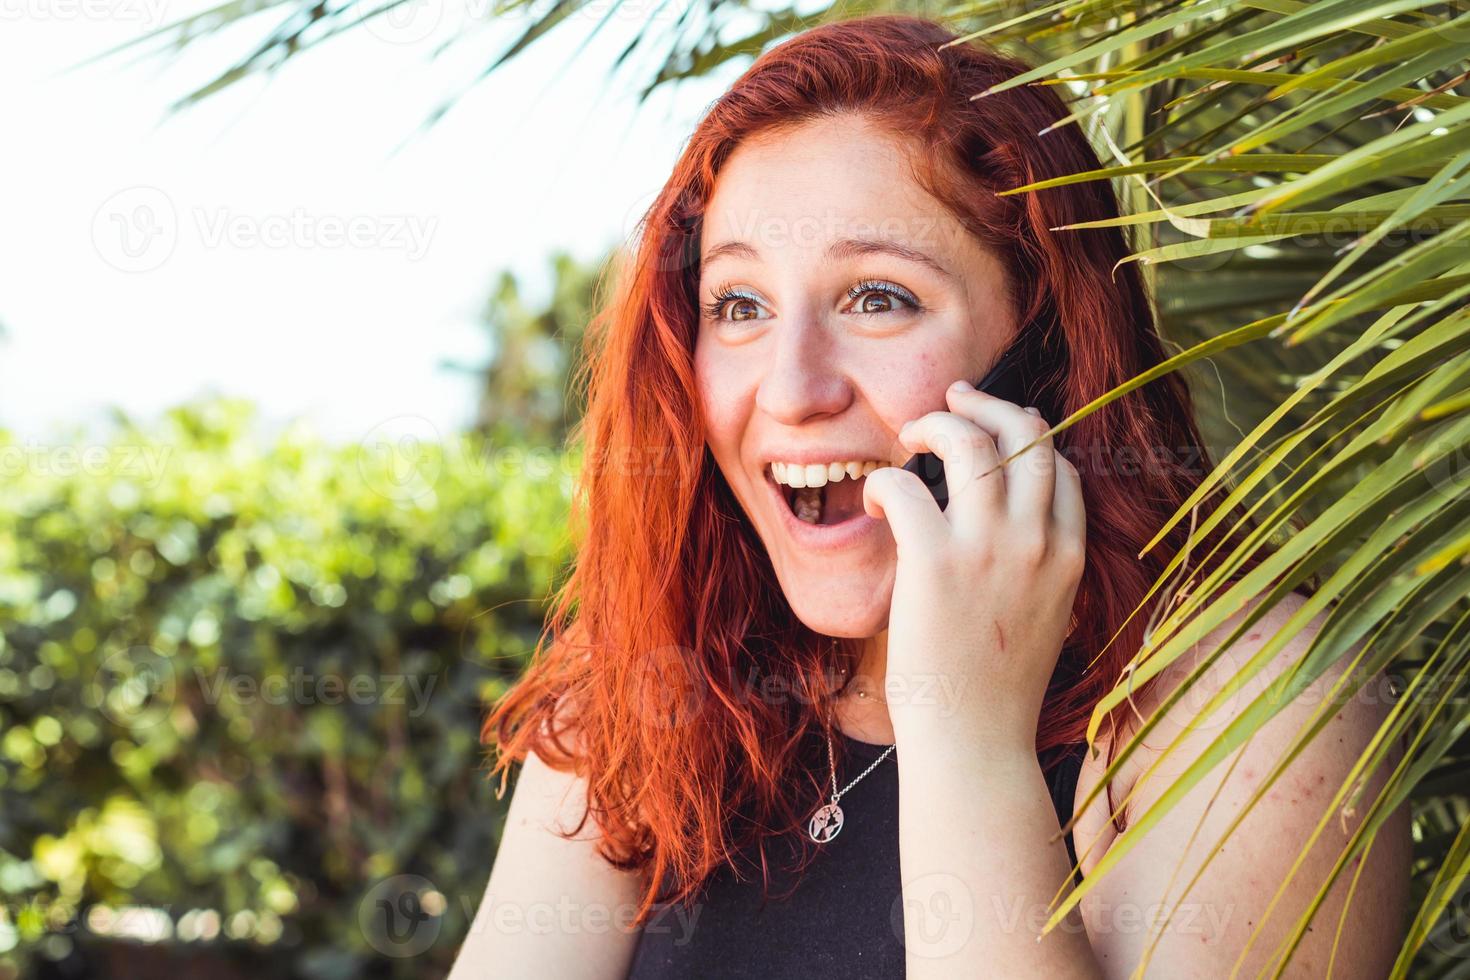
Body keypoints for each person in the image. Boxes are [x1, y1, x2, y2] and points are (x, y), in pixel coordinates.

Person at [448, 14, 1410, 979]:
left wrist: (969, 741)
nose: (791, 391)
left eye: (878, 298)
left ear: (1047, 350)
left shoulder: (1251, 709)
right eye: (740, 306)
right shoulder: (640, 689)